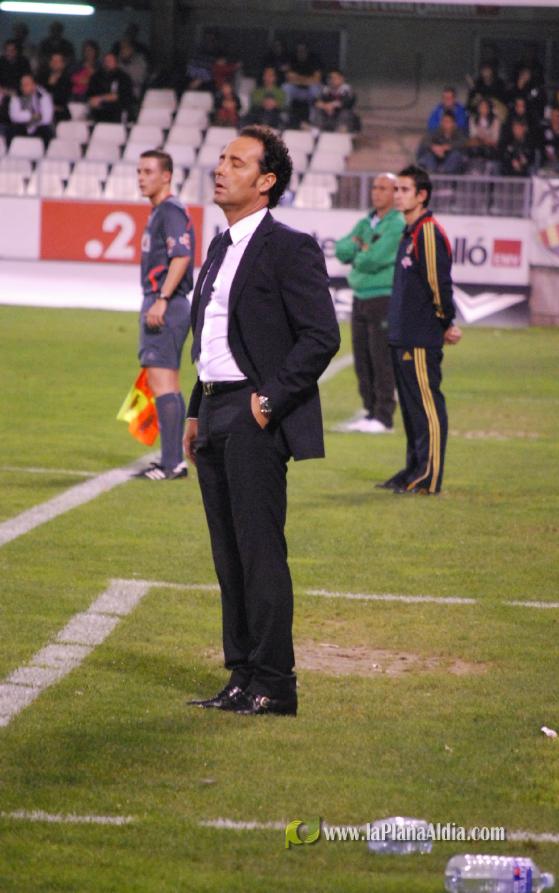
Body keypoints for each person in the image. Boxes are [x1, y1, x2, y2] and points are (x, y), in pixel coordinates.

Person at [184, 125, 340, 716]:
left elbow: (321, 336)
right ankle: (241, 675)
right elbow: (213, 339)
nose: (221, 168)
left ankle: (275, 683)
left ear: (266, 180)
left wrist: (268, 402)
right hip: (214, 409)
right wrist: (196, 410)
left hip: (254, 414)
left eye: (237, 162)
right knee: (229, 556)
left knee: (259, 552)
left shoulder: (289, 246)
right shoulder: (219, 245)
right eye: (222, 158)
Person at [378, 165, 462, 496]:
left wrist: (445, 322)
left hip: (420, 338)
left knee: (427, 408)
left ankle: (429, 476)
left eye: (404, 190)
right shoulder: (409, 231)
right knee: (413, 410)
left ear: (422, 195)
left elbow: (438, 283)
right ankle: (413, 470)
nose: (397, 195)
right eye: (396, 189)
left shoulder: (427, 231)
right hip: (403, 335)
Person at [134, 150, 195, 481]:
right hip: (167, 303)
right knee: (167, 382)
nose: (141, 178)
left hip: (165, 304)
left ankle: (172, 463)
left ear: (166, 176)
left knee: (163, 383)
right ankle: (172, 460)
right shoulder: (162, 211)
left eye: (148, 171)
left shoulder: (169, 211)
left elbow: (181, 256)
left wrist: (162, 299)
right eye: (139, 171)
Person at [335, 173, 405, 433]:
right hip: (360, 296)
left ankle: (384, 417)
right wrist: (361, 250)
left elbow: (375, 258)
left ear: (395, 193)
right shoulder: (366, 222)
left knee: (381, 358)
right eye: (375, 187)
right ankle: (370, 412)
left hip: (383, 297)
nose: (376, 192)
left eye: (383, 188)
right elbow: (341, 249)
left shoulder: (396, 224)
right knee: (362, 359)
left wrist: (359, 252)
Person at [87, 52, 134, 123]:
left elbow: (119, 96)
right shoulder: (96, 77)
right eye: (105, 61)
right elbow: (90, 94)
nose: (107, 63)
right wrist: (92, 100)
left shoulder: (123, 77)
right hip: (99, 111)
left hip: (117, 111)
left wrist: (100, 98)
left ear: (116, 63)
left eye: (110, 61)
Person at [9, 72, 54, 146]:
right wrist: (32, 116)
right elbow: (14, 116)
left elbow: (47, 118)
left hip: (39, 126)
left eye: (27, 84)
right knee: (13, 129)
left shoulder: (43, 95)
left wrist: (27, 118)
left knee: (47, 130)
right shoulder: (16, 96)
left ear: (34, 85)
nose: (24, 87)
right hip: (23, 126)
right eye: (22, 85)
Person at [417, 110, 467, 174]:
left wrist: (447, 147)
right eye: (444, 121)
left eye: (448, 122)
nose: (445, 124)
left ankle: (443, 173)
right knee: (428, 155)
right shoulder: (436, 131)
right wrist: (434, 148)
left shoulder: (459, 133)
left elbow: (463, 142)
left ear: (454, 123)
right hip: (436, 159)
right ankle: (433, 174)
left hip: (451, 164)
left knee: (456, 155)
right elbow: (425, 141)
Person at [38, 52, 71, 123]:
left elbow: (62, 99)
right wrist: (49, 85)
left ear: (63, 64)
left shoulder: (67, 80)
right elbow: (39, 96)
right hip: (43, 112)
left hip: (61, 114)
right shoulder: (42, 78)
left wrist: (51, 86)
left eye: (57, 61)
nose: (54, 63)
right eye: (52, 60)